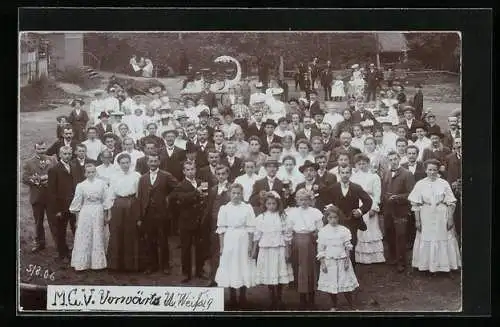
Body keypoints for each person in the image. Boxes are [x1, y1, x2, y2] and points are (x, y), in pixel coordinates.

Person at [408, 159, 461, 277]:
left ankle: (445, 265)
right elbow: (415, 204)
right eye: (430, 170)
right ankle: (426, 265)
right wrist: (417, 220)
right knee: (426, 237)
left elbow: (451, 202)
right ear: (425, 170)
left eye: (435, 170)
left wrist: (450, 218)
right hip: (425, 213)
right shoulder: (420, 184)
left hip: (441, 213)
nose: (432, 172)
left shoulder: (443, 183)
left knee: (443, 237)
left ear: (438, 171)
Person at [215, 183, 257, 308]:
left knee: (243, 265)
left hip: (243, 238)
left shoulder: (247, 208)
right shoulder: (224, 208)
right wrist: (222, 246)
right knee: (231, 266)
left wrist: (250, 245)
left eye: (238, 193)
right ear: (229, 194)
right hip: (230, 239)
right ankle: (232, 297)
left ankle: (242, 296)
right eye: (233, 193)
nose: (236, 195)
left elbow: (251, 228)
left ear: (242, 194)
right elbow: (221, 229)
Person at [137, 154, 179, 274]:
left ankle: (165, 265)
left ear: (159, 162)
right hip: (148, 213)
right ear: (147, 163)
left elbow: (177, 187)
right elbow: (140, 197)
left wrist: (168, 198)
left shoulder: (166, 175)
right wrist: (140, 216)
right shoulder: (143, 178)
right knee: (150, 240)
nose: (153, 163)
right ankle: (152, 265)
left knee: (163, 240)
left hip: (162, 213)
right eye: (151, 161)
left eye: (155, 161)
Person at [252, 191, 294, 310]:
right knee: (269, 273)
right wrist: (254, 250)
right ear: (265, 204)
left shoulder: (283, 217)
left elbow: (287, 234)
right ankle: (272, 298)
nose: (271, 206)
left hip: (279, 248)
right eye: (269, 203)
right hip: (266, 250)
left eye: (273, 203)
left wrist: (287, 250)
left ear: (277, 204)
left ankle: (279, 298)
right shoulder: (261, 217)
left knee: (279, 273)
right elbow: (257, 235)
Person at [69, 163, 112, 271]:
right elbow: (77, 204)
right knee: (85, 235)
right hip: (85, 212)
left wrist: (108, 214)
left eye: (93, 172)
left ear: (95, 172)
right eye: (88, 172)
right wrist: (78, 220)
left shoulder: (102, 184)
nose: (91, 174)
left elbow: (107, 200)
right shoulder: (81, 185)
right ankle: (83, 263)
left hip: (98, 211)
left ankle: (98, 263)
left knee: (98, 234)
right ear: (85, 173)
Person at [328, 165, 372, 270]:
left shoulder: (356, 187)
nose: (345, 175)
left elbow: (368, 201)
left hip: (352, 221)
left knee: (351, 244)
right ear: (339, 174)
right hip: (337, 222)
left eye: (347, 173)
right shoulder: (333, 188)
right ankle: (337, 269)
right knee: (338, 244)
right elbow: (327, 202)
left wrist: (360, 211)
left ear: (351, 174)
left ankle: (351, 272)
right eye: (342, 173)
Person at [286, 188, 324, 309]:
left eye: (306, 199)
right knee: (299, 269)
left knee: (311, 269)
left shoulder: (315, 212)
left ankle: (312, 298)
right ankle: (302, 299)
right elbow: (288, 231)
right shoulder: (292, 213)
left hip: (310, 242)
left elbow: (320, 229)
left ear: (310, 200)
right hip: (297, 241)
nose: (303, 202)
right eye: (301, 199)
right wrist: (289, 245)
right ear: (296, 200)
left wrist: (317, 236)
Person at [317, 204, 359, 311]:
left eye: (335, 217)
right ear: (327, 218)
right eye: (330, 218)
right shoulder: (323, 231)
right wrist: (322, 263)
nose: (333, 220)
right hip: (329, 261)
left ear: (338, 217)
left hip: (342, 260)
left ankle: (352, 305)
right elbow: (321, 249)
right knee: (332, 284)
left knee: (345, 283)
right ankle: (334, 305)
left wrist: (346, 261)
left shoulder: (343, 230)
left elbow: (347, 247)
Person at [172, 161, 209, 283]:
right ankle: (186, 273)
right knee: (186, 248)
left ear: (195, 169)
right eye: (187, 170)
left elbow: (206, 198)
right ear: (184, 171)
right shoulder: (180, 185)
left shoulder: (201, 182)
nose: (190, 171)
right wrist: (196, 193)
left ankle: (199, 270)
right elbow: (181, 200)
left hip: (200, 220)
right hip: (186, 221)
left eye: (192, 169)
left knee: (200, 247)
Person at [381, 151, 416, 273]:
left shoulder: (407, 174)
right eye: (390, 159)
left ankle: (402, 262)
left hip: (401, 210)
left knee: (401, 236)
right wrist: (385, 199)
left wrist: (397, 197)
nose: (393, 161)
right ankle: (393, 258)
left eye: (395, 159)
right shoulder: (386, 172)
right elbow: (383, 190)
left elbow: (411, 193)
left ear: (399, 159)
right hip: (388, 210)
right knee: (389, 234)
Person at [22, 141, 58, 253]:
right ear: (35, 150)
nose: (42, 151)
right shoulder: (29, 162)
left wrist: (49, 179)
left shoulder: (52, 160)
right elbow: (25, 178)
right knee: (38, 222)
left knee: (54, 221)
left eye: (43, 149)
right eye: (39, 149)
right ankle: (40, 243)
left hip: (51, 197)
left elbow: (57, 174)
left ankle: (58, 243)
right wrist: (37, 180)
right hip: (37, 196)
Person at [350, 154, 384, 264]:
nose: (361, 166)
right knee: (359, 229)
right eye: (359, 164)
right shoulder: (353, 177)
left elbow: (377, 194)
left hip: (370, 202)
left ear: (368, 164)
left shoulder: (374, 177)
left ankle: (373, 256)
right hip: (357, 204)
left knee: (370, 228)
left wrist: (374, 207)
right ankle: (360, 256)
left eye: (364, 163)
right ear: (356, 165)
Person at [203, 165, 231, 287]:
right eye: (218, 174)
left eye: (223, 174)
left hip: (228, 225)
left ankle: (230, 278)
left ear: (227, 175)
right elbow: (209, 207)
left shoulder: (231, 189)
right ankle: (214, 278)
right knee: (215, 251)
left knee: (228, 251)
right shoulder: (213, 189)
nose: (221, 176)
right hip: (215, 224)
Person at [47, 146, 77, 264]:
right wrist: (57, 210)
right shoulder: (54, 170)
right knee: (61, 231)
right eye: (65, 154)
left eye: (69, 153)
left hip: (74, 204)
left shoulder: (73, 167)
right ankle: (62, 254)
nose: (67, 156)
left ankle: (75, 252)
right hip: (61, 206)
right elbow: (52, 192)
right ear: (60, 155)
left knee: (75, 228)